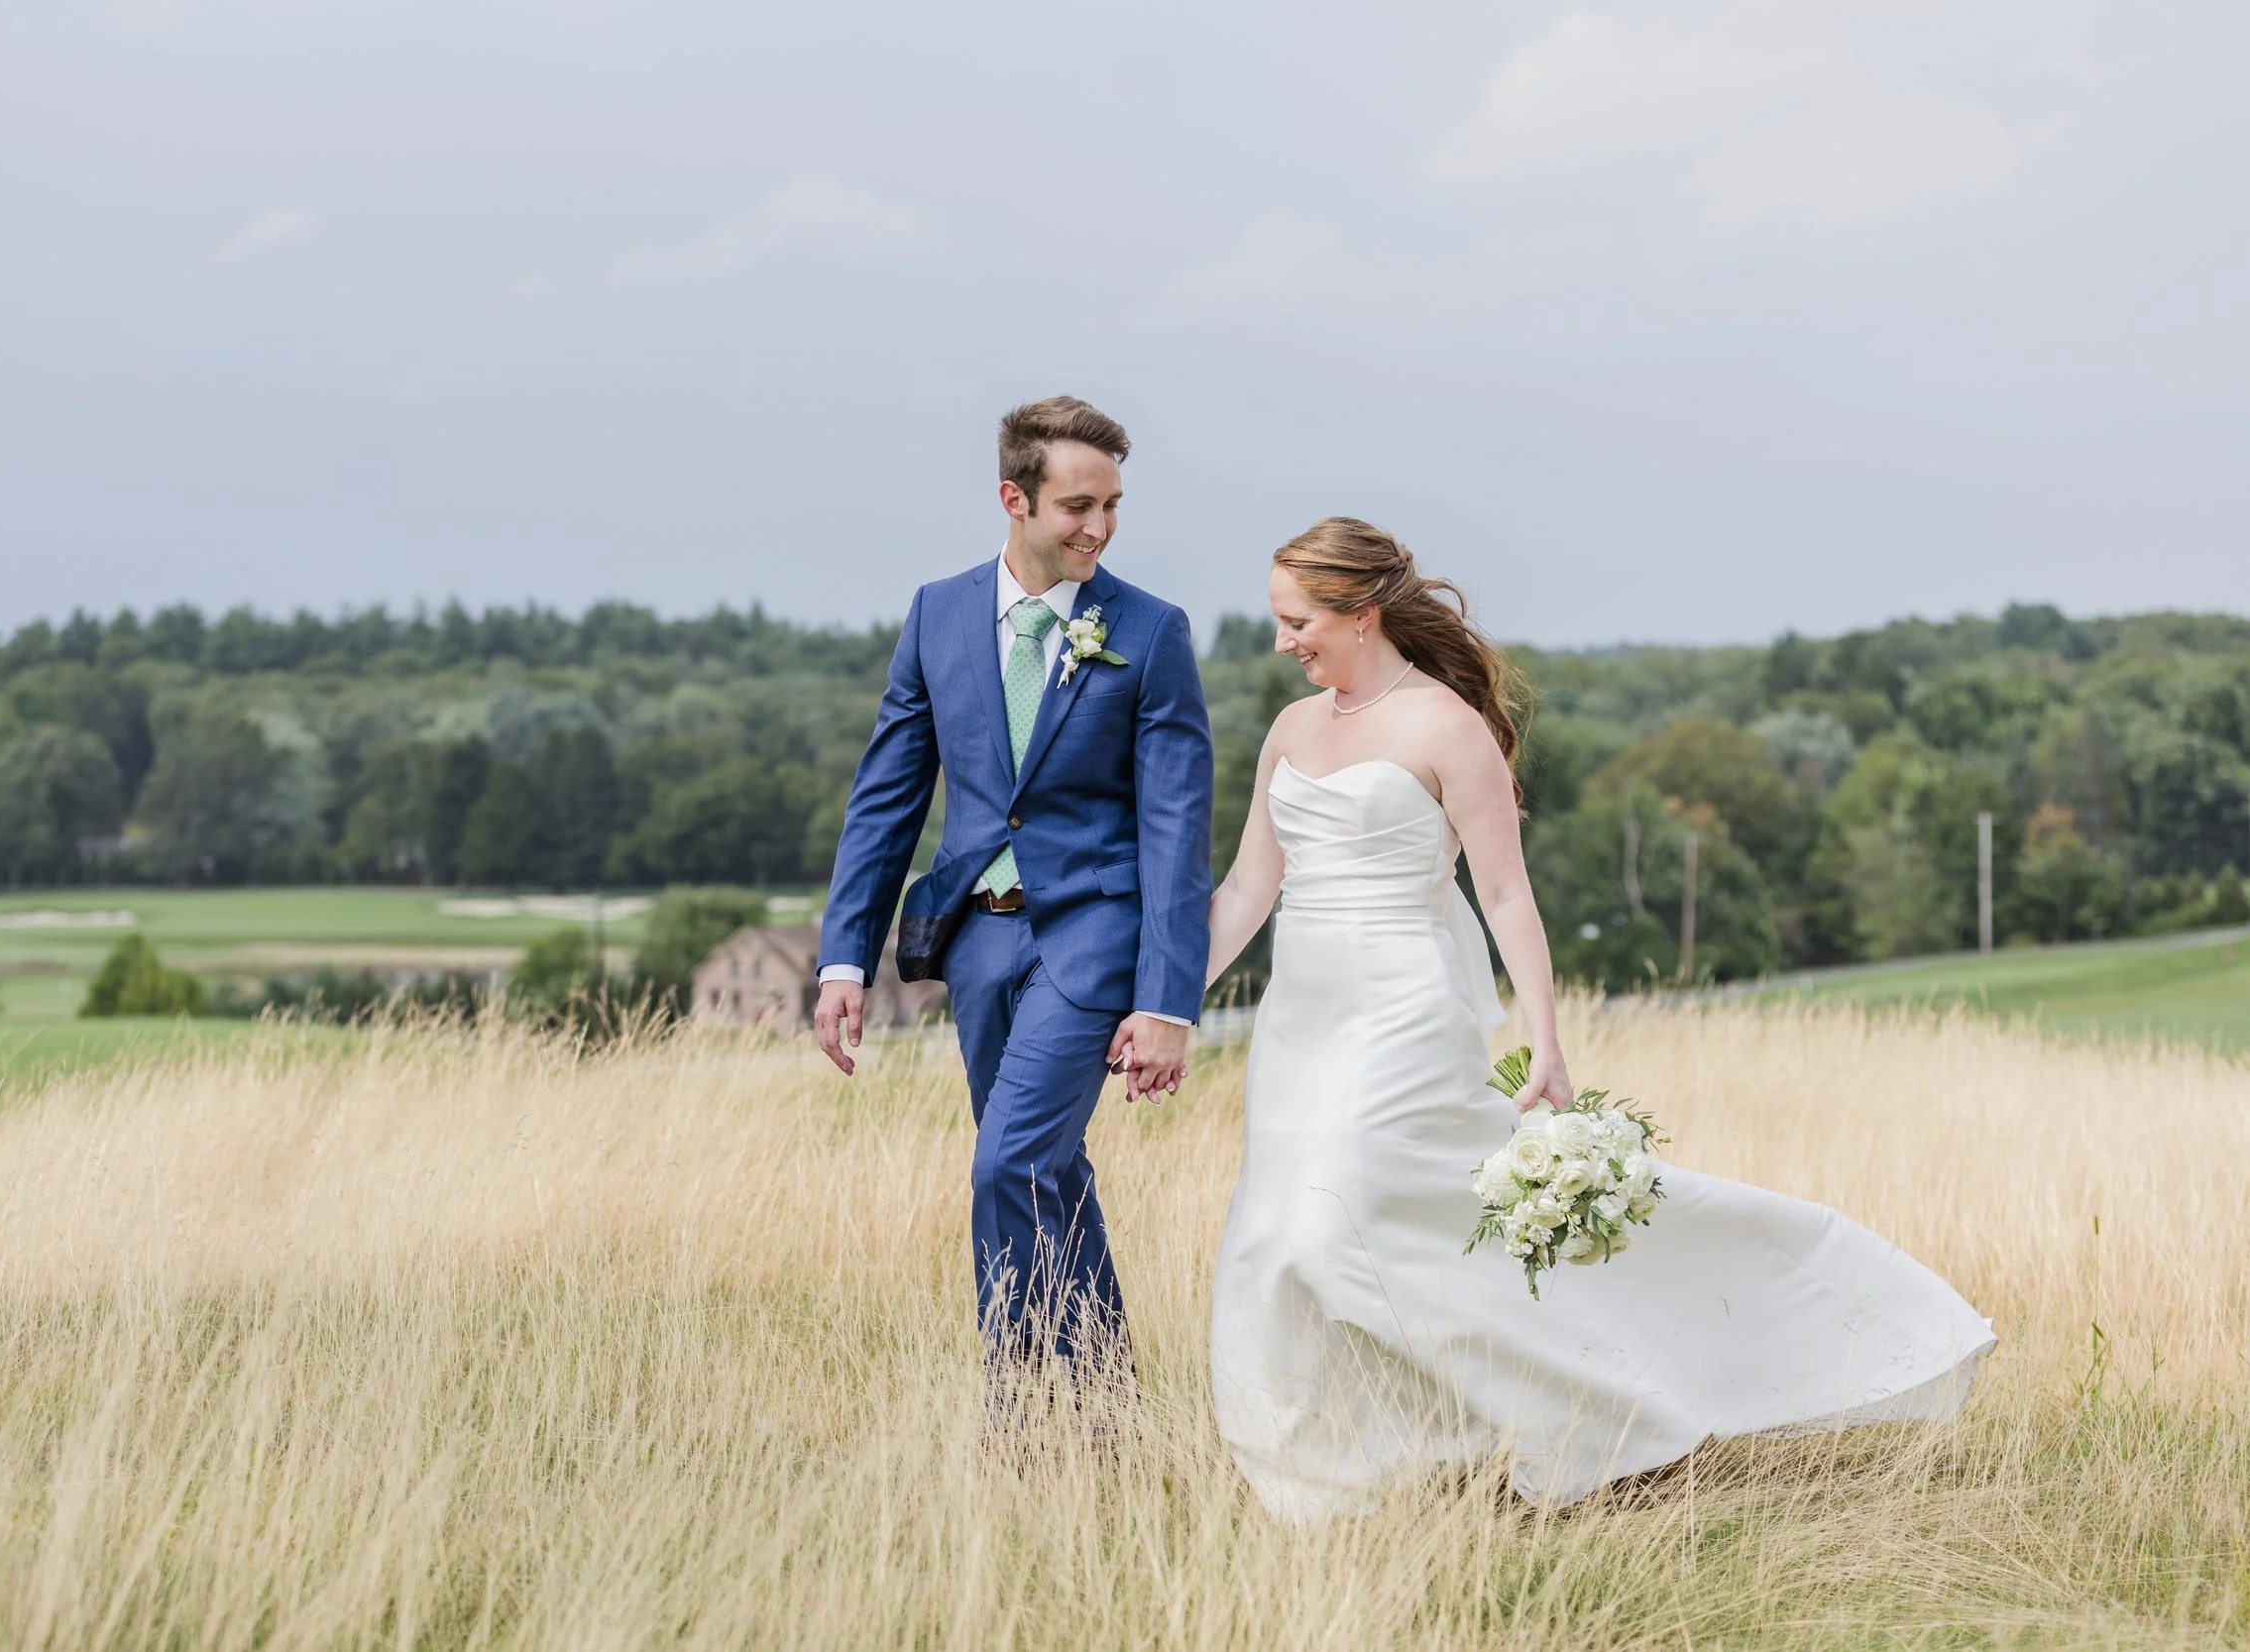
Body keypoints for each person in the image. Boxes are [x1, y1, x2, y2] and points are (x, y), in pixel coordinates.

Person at [1202, 516, 1995, 1514]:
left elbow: (1504, 899)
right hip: (1298, 1020)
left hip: (1401, 1008)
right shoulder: (1290, 728)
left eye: (1297, 620)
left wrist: (1546, 1041)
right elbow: (1242, 889)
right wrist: (1158, 999)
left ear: (1361, 613)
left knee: (1330, 1225)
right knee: (1275, 1237)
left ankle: (1626, 1405)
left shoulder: (1446, 727)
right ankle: (1350, 1469)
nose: (1283, 643)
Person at [814, 396, 1213, 1400]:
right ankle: (1105, 1407)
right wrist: (842, 956)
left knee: (1006, 1167)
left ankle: (1020, 1407)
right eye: (1078, 504)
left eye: (1113, 504)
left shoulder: (1150, 631)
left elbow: (1176, 827)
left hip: (1093, 940)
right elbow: (887, 797)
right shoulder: (936, 613)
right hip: (981, 945)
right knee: (1047, 1172)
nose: (1100, 526)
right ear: (1013, 497)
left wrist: (1167, 1000)